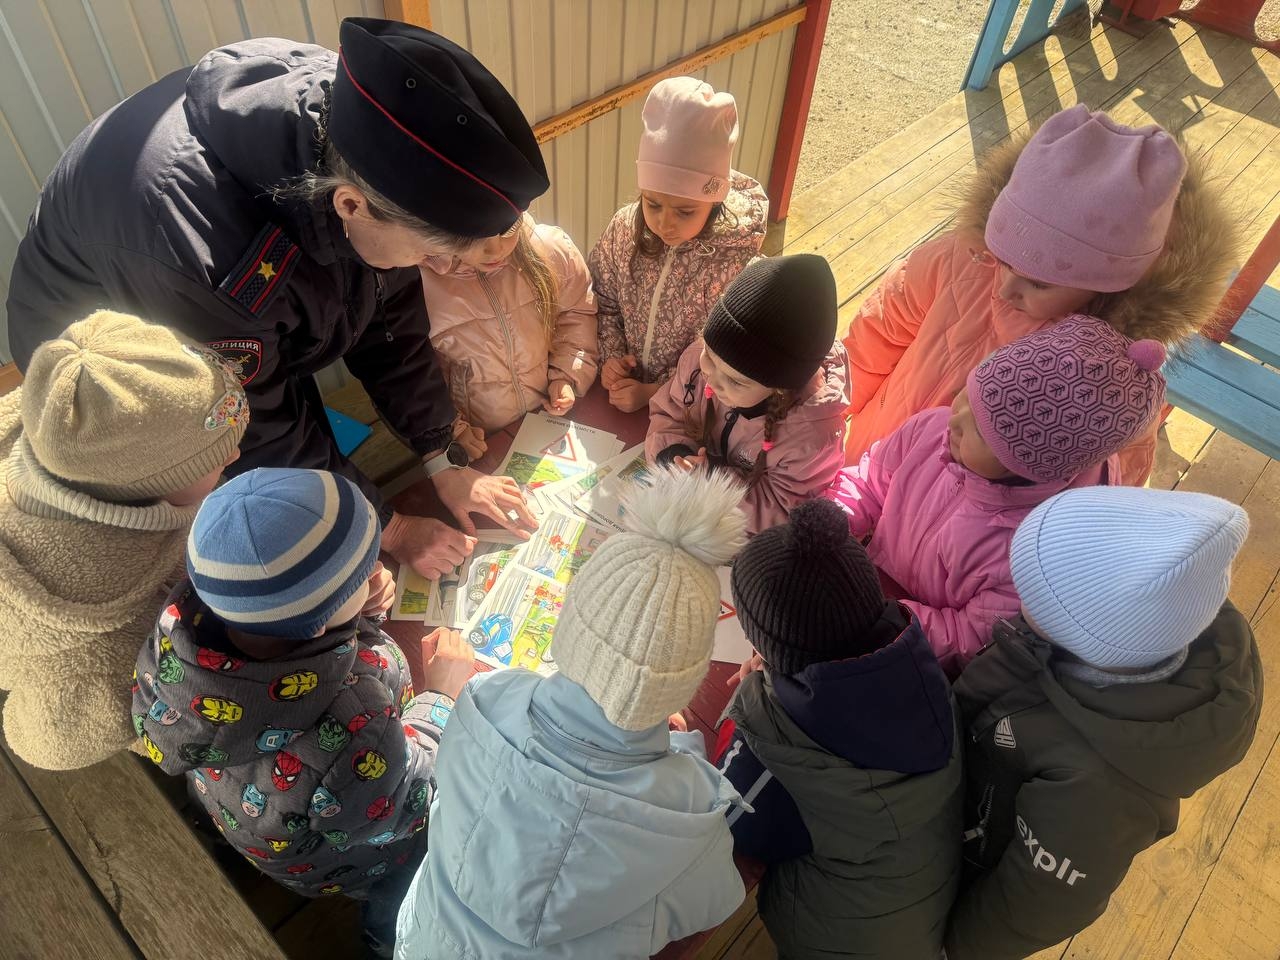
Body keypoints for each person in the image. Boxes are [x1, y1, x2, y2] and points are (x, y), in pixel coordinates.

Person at [6, 17, 549, 582]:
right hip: (109, 391)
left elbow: (390, 315)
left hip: (223, 332)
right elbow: (252, 423)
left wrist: (441, 456)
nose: (437, 271)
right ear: (350, 205)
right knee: (215, 553)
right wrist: (387, 529)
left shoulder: (372, 144)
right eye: (433, 256)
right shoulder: (200, 243)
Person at [395, 467, 748, 959]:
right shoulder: (689, 815)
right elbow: (719, 899)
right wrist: (686, 752)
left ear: (566, 630)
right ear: (683, 684)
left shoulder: (483, 700)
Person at [133, 467, 476, 956]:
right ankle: (384, 935)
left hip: (250, 813)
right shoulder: (350, 730)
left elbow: (290, 631)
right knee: (402, 888)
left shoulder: (184, 628)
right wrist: (439, 698)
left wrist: (356, 610)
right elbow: (411, 802)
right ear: (317, 621)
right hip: (350, 856)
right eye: (362, 572)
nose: (375, 571)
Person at [841, 103, 1236, 485]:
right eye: (1001, 260)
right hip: (862, 466)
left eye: (1039, 283)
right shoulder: (956, 258)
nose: (1005, 289)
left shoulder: (1112, 373)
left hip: (959, 519)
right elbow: (874, 339)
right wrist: (825, 417)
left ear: (1110, 284)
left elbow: (1109, 481)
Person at [946, 486, 1262, 959]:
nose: (1016, 590)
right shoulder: (1150, 623)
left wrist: (958, 950)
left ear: (1085, 634)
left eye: (1034, 593)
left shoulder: (1102, 790)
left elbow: (1036, 903)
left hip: (971, 862)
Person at [829, 314, 1166, 677]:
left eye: (979, 428)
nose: (954, 418)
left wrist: (880, 618)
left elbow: (968, 636)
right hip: (862, 589)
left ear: (1027, 465)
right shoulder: (932, 429)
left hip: (909, 649)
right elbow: (869, 483)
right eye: (968, 394)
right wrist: (829, 525)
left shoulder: (1033, 555)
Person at [0, 311, 247, 770]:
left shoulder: (60, 424)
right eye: (211, 459)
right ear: (153, 485)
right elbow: (48, 741)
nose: (234, 454)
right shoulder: (105, 643)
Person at [717, 499, 962, 959]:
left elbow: (726, 823)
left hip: (835, 941)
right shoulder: (916, 663)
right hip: (916, 911)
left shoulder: (780, 757)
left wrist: (751, 707)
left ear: (764, 644)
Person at [589, 76, 768, 412]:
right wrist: (612, 358)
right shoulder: (624, 230)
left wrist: (655, 392)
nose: (664, 223)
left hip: (689, 410)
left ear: (714, 202)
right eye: (653, 203)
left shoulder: (733, 263)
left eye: (685, 211)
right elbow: (603, 301)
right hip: (620, 398)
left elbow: (721, 356)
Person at [646, 254, 850, 534]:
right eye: (710, 357)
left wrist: (713, 482)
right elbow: (669, 412)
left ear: (780, 389)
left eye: (735, 381)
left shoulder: (810, 437)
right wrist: (674, 454)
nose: (712, 379)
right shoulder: (698, 362)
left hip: (739, 534)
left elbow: (783, 510)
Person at [420, 211, 598, 433]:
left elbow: (576, 315)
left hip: (545, 420)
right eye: (476, 235)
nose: (495, 250)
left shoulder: (550, 249)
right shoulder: (419, 281)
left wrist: (565, 376)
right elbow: (416, 375)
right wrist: (451, 428)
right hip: (477, 435)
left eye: (507, 229)